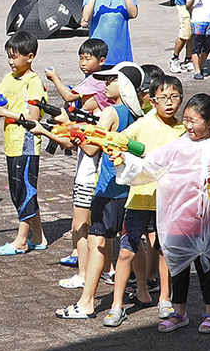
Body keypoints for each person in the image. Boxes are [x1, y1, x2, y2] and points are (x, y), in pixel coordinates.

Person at [114, 93, 210, 333]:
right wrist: (123, 160)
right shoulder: (175, 147)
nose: (188, 125)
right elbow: (147, 167)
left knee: (206, 269)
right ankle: (179, 312)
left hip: (204, 224)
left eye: (194, 121)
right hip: (175, 222)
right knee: (178, 271)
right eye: (185, 120)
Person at [54, 64, 144, 320]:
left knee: (97, 243)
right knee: (132, 241)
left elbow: (92, 150)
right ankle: (144, 293)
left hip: (107, 188)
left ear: (124, 84)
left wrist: (71, 128)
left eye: (111, 80)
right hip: (129, 188)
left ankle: (87, 302)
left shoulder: (111, 112)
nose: (106, 84)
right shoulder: (138, 114)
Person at [99, 74, 187, 326]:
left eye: (174, 97)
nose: (169, 102)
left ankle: (165, 299)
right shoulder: (143, 124)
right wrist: (115, 149)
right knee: (126, 251)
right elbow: (119, 140)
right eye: (162, 98)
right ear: (152, 100)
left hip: (167, 203)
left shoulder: (182, 131)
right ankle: (117, 305)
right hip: (138, 201)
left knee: (164, 253)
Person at [43, 39, 109, 281]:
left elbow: (70, 98)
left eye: (87, 58)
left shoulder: (98, 87)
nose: (83, 62)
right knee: (101, 226)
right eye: (80, 58)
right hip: (100, 173)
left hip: (89, 171)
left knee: (80, 224)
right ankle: (103, 270)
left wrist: (54, 79)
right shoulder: (106, 104)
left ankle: (83, 273)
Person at [0, 32, 48, 256]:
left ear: (29, 57)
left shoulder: (34, 82)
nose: (11, 61)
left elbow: (34, 116)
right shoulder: (9, 78)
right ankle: (38, 237)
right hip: (11, 144)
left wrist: (5, 112)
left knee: (23, 191)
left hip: (26, 144)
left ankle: (21, 241)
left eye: (15, 56)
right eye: (9, 56)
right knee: (22, 190)